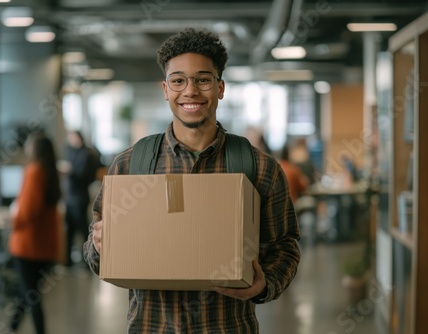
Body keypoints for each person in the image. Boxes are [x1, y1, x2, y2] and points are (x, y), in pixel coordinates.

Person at [84, 28, 300, 333]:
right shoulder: (131, 165)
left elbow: (285, 245)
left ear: (220, 87)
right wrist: (99, 246)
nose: (190, 91)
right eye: (178, 80)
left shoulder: (259, 167)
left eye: (202, 79)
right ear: (165, 88)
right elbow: (94, 250)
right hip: (152, 327)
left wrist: (265, 284)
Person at [7, 133, 62, 334]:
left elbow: (28, 210)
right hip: (46, 245)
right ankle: (12, 325)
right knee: (29, 290)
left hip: (28, 245)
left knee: (32, 295)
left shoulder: (34, 171)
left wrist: (11, 219)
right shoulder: (51, 172)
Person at [64, 130, 102, 267]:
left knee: (82, 229)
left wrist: (70, 171)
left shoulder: (87, 154)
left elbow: (86, 175)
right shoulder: (72, 152)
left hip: (79, 197)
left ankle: (87, 261)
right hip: (70, 197)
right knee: (70, 230)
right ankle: (67, 262)